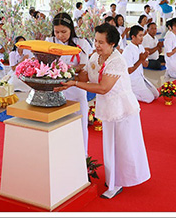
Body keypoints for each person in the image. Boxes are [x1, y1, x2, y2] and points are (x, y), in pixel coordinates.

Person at [56, 23, 150, 199]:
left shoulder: (117, 61)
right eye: (96, 41)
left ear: (112, 44)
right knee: (110, 145)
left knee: (124, 146)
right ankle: (114, 179)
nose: (97, 45)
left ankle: (118, 181)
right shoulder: (96, 57)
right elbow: (86, 74)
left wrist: (75, 83)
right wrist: (66, 75)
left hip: (122, 107)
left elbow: (103, 87)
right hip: (108, 107)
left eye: (101, 42)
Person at [44, 13, 91, 156]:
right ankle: (62, 158)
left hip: (76, 90)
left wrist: (65, 70)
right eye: (57, 32)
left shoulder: (81, 43)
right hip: (57, 90)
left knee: (80, 126)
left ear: (71, 29)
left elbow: (84, 65)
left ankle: (82, 159)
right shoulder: (49, 41)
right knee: (59, 126)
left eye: (64, 32)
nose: (60, 36)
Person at [122, 26, 159, 103]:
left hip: (141, 77)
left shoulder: (141, 47)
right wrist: (141, 60)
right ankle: (128, 94)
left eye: (143, 35)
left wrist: (145, 59)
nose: (142, 38)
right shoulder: (128, 50)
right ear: (133, 37)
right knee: (150, 99)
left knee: (156, 94)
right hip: (133, 80)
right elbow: (129, 71)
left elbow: (145, 65)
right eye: (140, 36)